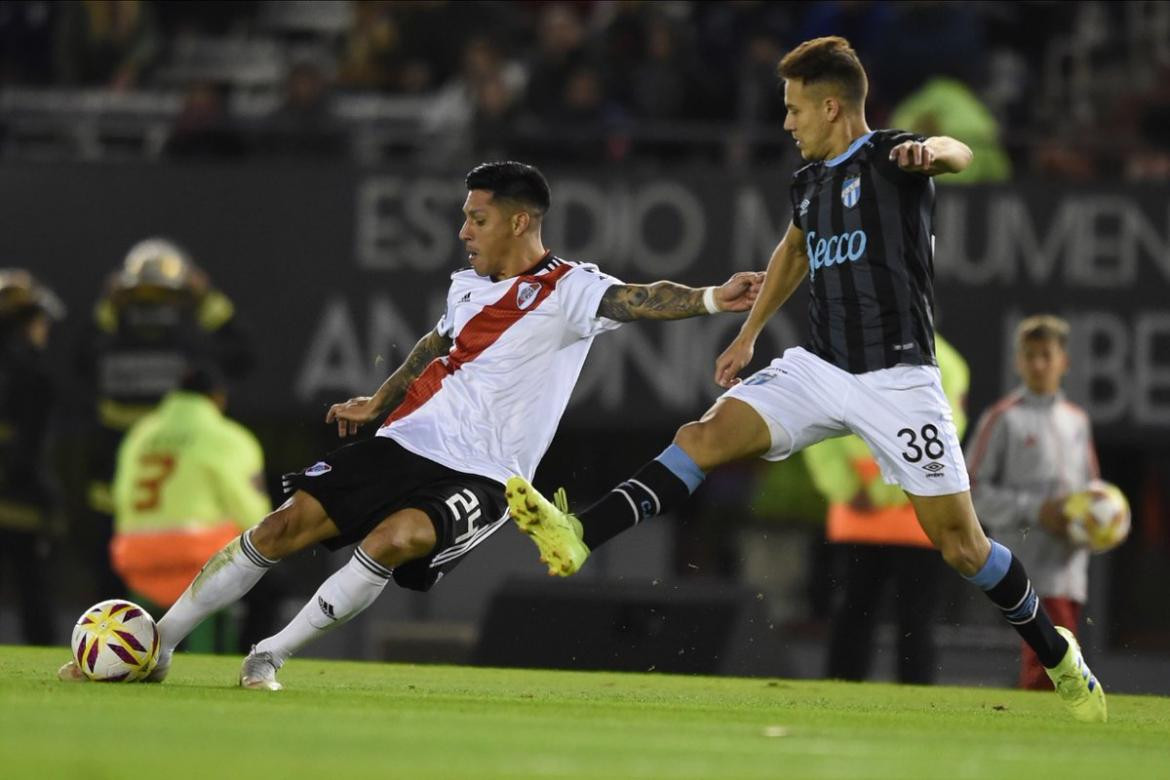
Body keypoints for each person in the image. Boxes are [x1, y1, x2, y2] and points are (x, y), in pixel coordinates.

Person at [505, 37, 1107, 722]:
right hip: (820, 367)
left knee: (962, 546)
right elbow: (793, 249)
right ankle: (581, 534)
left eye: (794, 110)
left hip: (899, 378)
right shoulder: (808, 183)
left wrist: (932, 152)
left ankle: (1058, 656)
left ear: (830, 106)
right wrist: (750, 333)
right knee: (702, 435)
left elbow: (957, 153)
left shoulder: (890, 157)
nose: (786, 123)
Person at [57, 161, 764, 689]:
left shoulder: (571, 289)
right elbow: (436, 343)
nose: (463, 232)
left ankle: (271, 651)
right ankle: (164, 645)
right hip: (407, 440)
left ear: (520, 222)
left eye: (476, 219)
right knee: (280, 528)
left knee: (396, 539)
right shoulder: (466, 286)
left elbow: (640, 300)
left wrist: (708, 298)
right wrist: (377, 399)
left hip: (486, 474)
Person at [79, 238, 254, 599]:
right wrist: (208, 303)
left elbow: (81, 359)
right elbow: (241, 354)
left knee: (113, 584)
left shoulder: (112, 341)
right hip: (169, 495)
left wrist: (109, 310)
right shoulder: (192, 344)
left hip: (120, 486)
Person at [806, 334, 968, 684]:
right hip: (913, 513)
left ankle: (848, 689)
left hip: (894, 516)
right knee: (880, 614)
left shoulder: (841, 349)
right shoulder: (946, 361)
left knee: (888, 615)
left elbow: (947, 430)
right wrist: (866, 487)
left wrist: (850, 487)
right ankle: (908, 697)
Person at [966, 315, 1100, 691]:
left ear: (1064, 362)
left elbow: (1094, 493)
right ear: (1017, 361)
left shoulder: (1077, 421)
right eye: (1030, 355)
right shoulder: (1003, 419)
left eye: (1046, 354)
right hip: (1024, 564)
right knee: (1051, 660)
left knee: (1053, 658)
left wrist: (1103, 524)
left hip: (1070, 562)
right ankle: (1052, 733)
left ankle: (1046, 730)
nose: (1038, 364)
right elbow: (970, 491)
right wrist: (1035, 510)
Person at [109, 366, 271, 653]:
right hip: (196, 558)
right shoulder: (228, 437)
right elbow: (253, 515)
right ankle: (246, 657)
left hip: (135, 556)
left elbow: (120, 496)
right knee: (271, 576)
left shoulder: (141, 433)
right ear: (218, 398)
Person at [0, 270, 65, 645]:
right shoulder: (34, 375)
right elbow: (31, 449)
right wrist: (49, 505)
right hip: (21, 504)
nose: (45, 330)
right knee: (34, 594)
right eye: (39, 322)